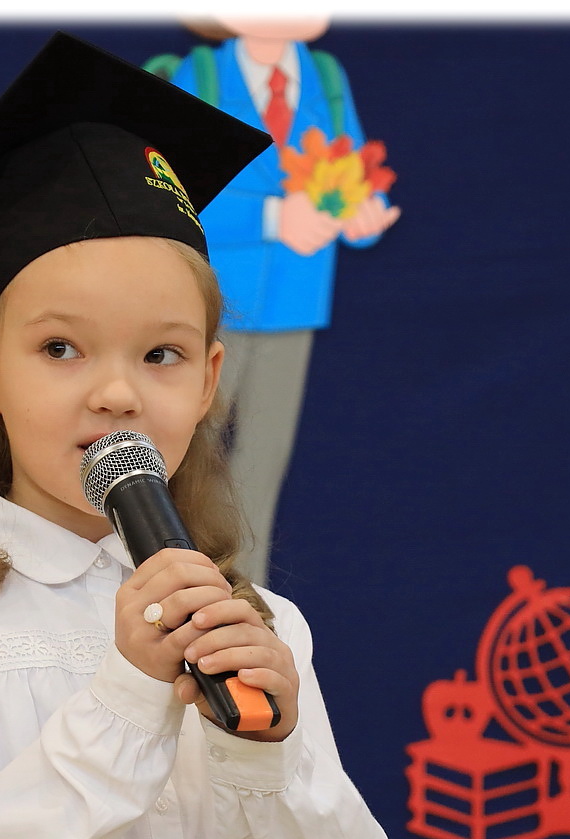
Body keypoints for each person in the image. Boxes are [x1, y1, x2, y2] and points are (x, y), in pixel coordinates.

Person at [0, 33, 387, 839]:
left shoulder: (258, 621)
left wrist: (265, 750)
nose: (118, 392)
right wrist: (128, 694)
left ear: (207, 382)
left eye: (161, 354)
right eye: (61, 348)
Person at [159, 18, 401, 586]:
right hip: (211, 303)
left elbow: (354, 170)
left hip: (295, 302)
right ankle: (174, 579)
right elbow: (172, 189)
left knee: (264, 459)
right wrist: (272, 217)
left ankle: (246, 593)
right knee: (188, 453)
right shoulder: (202, 76)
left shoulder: (324, 78)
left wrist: (362, 213)